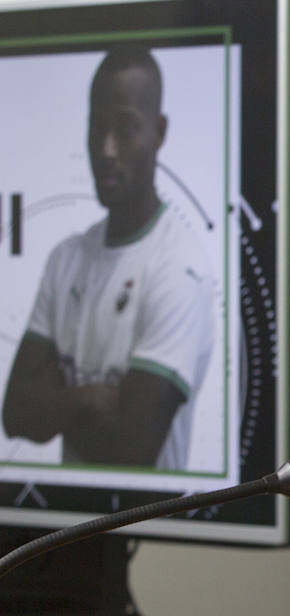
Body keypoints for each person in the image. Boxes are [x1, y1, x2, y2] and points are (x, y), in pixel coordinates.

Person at [2, 46, 214, 470]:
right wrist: (92, 399)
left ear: (159, 131)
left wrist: (56, 405)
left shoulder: (180, 267)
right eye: (95, 128)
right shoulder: (65, 259)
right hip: (67, 525)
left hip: (152, 529)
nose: (106, 149)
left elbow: (132, 448)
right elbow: (15, 412)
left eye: (126, 127)